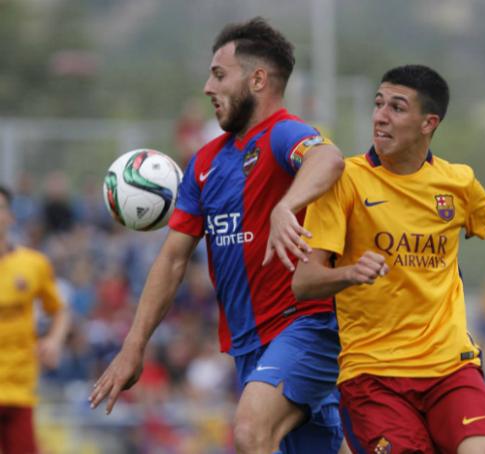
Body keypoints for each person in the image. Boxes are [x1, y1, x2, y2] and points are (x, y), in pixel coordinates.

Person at [292, 65, 485, 454]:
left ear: (428, 123)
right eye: (379, 103)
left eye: (397, 108)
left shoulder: (457, 182)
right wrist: (350, 272)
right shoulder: (344, 180)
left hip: (451, 366)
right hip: (373, 374)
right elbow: (304, 281)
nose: (380, 115)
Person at [89, 17, 347, 454]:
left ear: (258, 79)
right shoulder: (206, 161)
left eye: (219, 74)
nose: (208, 87)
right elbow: (172, 260)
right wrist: (134, 347)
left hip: (304, 328)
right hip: (249, 344)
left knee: (248, 431)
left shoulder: (284, 134)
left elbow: (329, 158)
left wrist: (285, 206)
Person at [0, 185, 71, 454]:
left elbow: (60, 310)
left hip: (20, 387)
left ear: (11, 216)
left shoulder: (34, 264)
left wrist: (54, 340)